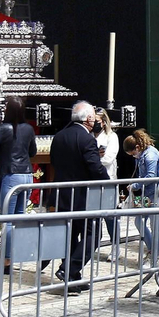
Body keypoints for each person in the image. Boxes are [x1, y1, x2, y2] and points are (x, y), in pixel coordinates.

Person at [48, 101, 110, 290]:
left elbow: (53, 161)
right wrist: (108, 183)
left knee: (71, 235)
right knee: (93, 233)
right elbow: (95, 167)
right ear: (89, 119)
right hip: (84, 196)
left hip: (63, 193)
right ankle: (70, 268)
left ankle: (73, 277)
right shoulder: (86, 139)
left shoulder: (59, 136)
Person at [0, 96, 37, 275]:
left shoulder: (4, 129)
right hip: (27, 175)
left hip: (11, 175)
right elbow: (33, 152)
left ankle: (5, 261)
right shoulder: (28, 129)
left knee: (7, 220)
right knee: (18, 218)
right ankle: (11, 258)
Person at [124, 130, 159, 260]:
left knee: (155, 224)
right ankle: (152, 250)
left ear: (137, 147)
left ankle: (154, 254)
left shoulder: (150, 155)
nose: (133, 156)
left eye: (132, 154)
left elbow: (151, 176)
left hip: (156, 193)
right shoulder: (144, 154)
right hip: (146, 192)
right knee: (139, 221)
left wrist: (135, 185)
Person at [91, 106, 121, 249]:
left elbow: (109, 158)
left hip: (107, 179)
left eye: (97, 120)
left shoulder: (111, 137)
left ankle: (115, 246)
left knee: (110, 216)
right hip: (91, 181)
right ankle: (93, 244)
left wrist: (92, 159)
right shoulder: (89, 136)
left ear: (103, 121)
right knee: (93, 216)